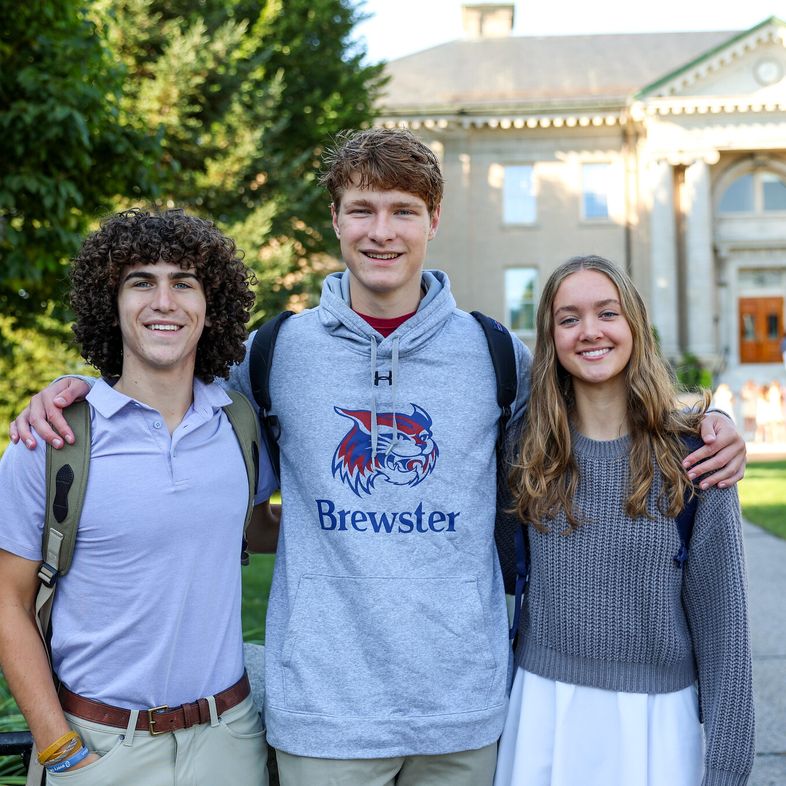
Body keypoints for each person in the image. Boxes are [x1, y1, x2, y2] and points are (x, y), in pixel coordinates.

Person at [9, 131, 747, 786]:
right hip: (325, 717)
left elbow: (592, 411)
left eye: (402, 210)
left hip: (464, 711)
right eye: (362, 210)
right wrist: (75, 387)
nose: (381, 231)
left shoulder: (494, 353)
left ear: (434, 220)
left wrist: (711, 418)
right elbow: (164, 383)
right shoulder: (276, 353)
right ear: (336, 220)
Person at [0, 209, 279, 786]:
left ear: (211, 304)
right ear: (112, 303)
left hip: (230, 742)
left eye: (184, 282)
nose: (164, 301)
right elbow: (7, 602)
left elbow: (258, 529)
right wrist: (60, 750)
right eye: (140, 282)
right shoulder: (51, 441)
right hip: (101, 747)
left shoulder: (239, 425)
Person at [496, 256, 754, 786]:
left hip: (655, 721)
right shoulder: (525, 452)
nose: (589, 332)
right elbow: (493, 569)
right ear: (551, 338)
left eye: (606, 313)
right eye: (568, 319)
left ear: (634, 324)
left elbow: (724, 626)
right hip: (543, 707)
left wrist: (728, 765)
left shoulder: (694, 457)